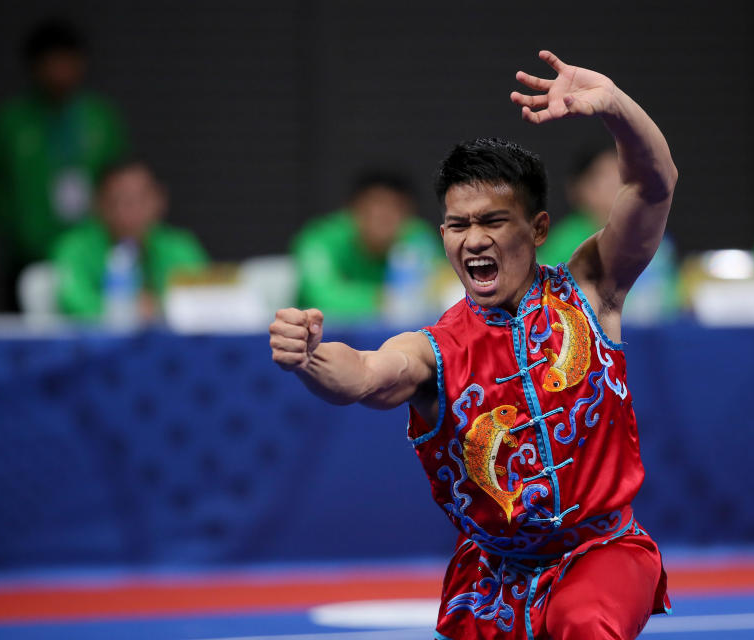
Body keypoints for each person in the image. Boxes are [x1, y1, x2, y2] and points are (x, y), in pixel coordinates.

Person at [270, 51, 677, 639]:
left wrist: (614, 104)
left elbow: (653, 184)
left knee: (582, 622)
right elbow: (361, 374)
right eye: (458, 226)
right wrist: (308, 359)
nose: (474, 240)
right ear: (441, 235)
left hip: (605, 552)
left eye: (493, 221)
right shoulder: (434, 350)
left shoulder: (594, 288)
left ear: (537, 229)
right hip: (491, 579)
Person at [0, 17, 128, 310]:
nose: (61, 72)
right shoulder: (12, 121)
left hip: (91, 248)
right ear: (34, 67)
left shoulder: (100, 117)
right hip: (30, 251)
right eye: (52, 63)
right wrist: (17, 223)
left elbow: (117, 175)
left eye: (68, 62)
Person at [53, 159, 207, 320]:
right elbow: (71, 298)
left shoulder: (180, 248)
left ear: (160, 200)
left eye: (140, 200)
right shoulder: (74, 248)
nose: (130, 212)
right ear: (98, 204)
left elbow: (201, 301)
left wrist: (158, 308)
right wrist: (124, 311)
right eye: (118, 201)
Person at [538, 146, 678, 321]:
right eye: (607, 179)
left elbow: (670, 297)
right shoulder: (563, 242)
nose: (619, 187)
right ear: (581, 189)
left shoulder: (654, 238)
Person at [291, 170, 441, 321]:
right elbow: (321, 296)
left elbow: (442, 287)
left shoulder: (417, 236)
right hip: (324, 335)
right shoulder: (320, 239)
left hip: (396, 335)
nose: (383, 216)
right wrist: (383, 300)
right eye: (374, 206)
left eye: (394, 207)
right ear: (353, 209)